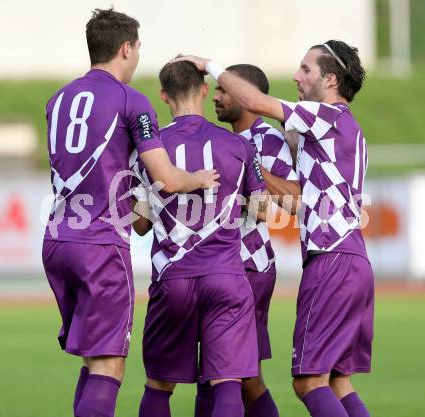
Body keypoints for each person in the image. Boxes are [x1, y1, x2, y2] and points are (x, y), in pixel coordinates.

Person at [176, 39, 374, 417]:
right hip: (353, 257)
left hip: (331, 258)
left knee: (307, 382)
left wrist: (210, 64)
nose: (297, 77)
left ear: (330, 79)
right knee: (338, 381)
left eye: (306, 70)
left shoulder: (326, 115)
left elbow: (256, 104)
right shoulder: (346, 127)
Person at [42, 9, 218, 417]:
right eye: (138, 48)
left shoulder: (59, 98)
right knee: (110, 364)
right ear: (126, 48)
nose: (138, 55)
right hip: (100, 244)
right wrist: (199, 178)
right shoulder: (131, 100)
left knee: (92, 359)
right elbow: (167, 180)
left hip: (57, 239)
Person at [130, 59, 269, 417]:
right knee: (227, 382)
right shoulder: (239, 145)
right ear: (205, 90)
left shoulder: (148, 149)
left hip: (172, 279)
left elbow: (140, 225)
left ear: (163, 96)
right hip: (225, 276)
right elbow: (262, 210)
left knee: (159, 385)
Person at [196, 63, 299, 417]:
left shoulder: (267, 139)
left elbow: (294, 201)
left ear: (247, 96)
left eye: (225, 91)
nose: (217, 97)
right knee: (228, 376)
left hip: (249, 265)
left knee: (232, 376)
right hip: (216, 266)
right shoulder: (215, 138)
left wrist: (252, 167)